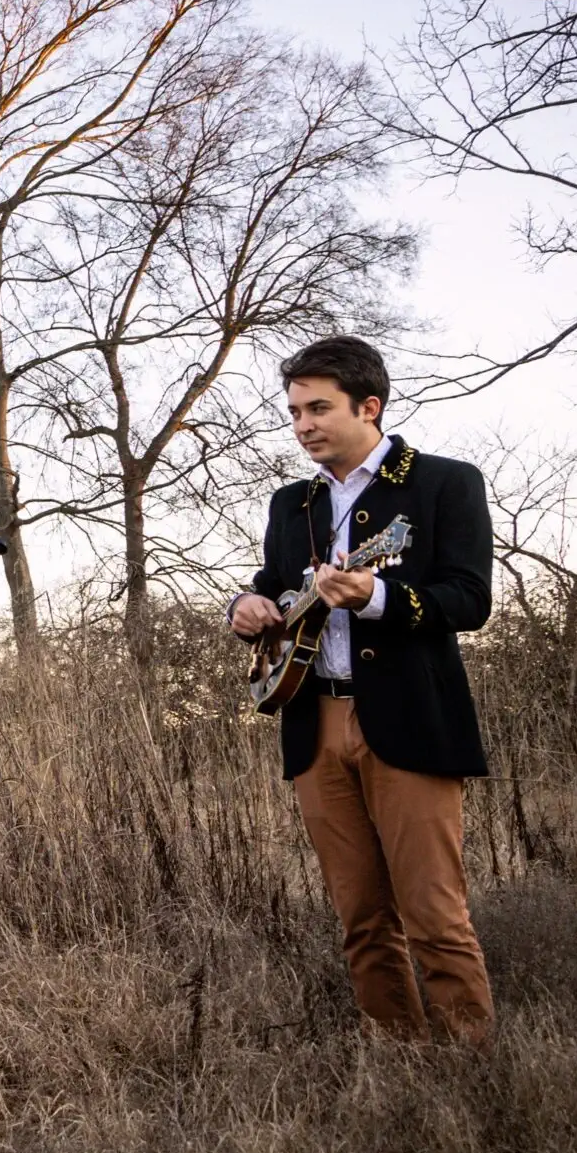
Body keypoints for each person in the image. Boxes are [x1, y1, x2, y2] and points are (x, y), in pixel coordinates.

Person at [228, 336, 495, 1044]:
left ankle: (472, 1068)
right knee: (361, 918)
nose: (302, 424)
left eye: (318, 407)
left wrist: (376, 593)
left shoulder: (443, 483)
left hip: (409, 721)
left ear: (369, 406)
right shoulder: (292, 503)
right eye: (293, 411)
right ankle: (401, 1062)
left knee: (434, 915)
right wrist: (244, 609)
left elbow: (469, 600)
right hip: (314, 724)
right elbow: (271, 585)